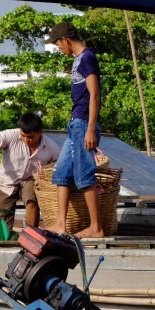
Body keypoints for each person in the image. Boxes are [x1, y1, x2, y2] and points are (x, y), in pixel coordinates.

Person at [45, 21, 104, 238]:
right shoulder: (78, 59)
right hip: (74, 124)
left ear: (65, 40)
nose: (58, 48)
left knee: (84, 175)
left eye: (57, 44)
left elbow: (94, 94)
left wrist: (90, 129)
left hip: (83, 124)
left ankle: (96, 227)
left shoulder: (87, 57)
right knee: (61, 173)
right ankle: (61, 224)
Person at [0, 112, 62, 232]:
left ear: (40, 133)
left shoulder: (51, 147)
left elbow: (60, 165)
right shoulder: (10, 135)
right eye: (23, 135)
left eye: (31, 137)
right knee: (0, 223)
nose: (26, 140)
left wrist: (47, 176)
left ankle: (31, 234)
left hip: (31, 180)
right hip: (7, 182)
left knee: (32, 198)